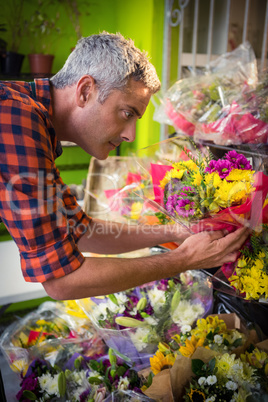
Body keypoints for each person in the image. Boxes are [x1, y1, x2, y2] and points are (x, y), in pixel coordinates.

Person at [0, 32, 249, 300]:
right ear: (85, 91)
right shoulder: (16, 118)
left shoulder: (32, 119)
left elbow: (81, 230)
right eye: (126, 114)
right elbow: (62, 282)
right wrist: (185, 258)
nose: (130, 134)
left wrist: (175, 232)